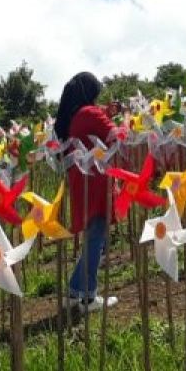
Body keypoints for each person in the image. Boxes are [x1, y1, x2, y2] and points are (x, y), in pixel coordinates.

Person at [55, 72, 118, 313]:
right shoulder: (90, 113)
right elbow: (115, 134)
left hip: (81, 181)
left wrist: (105, 113)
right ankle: (87, 296)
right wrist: (127, 127)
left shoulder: (73, 116)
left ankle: (74, 291)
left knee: (94, 234)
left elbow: (93, 126)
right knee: (96, 234)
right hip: (96, 180)